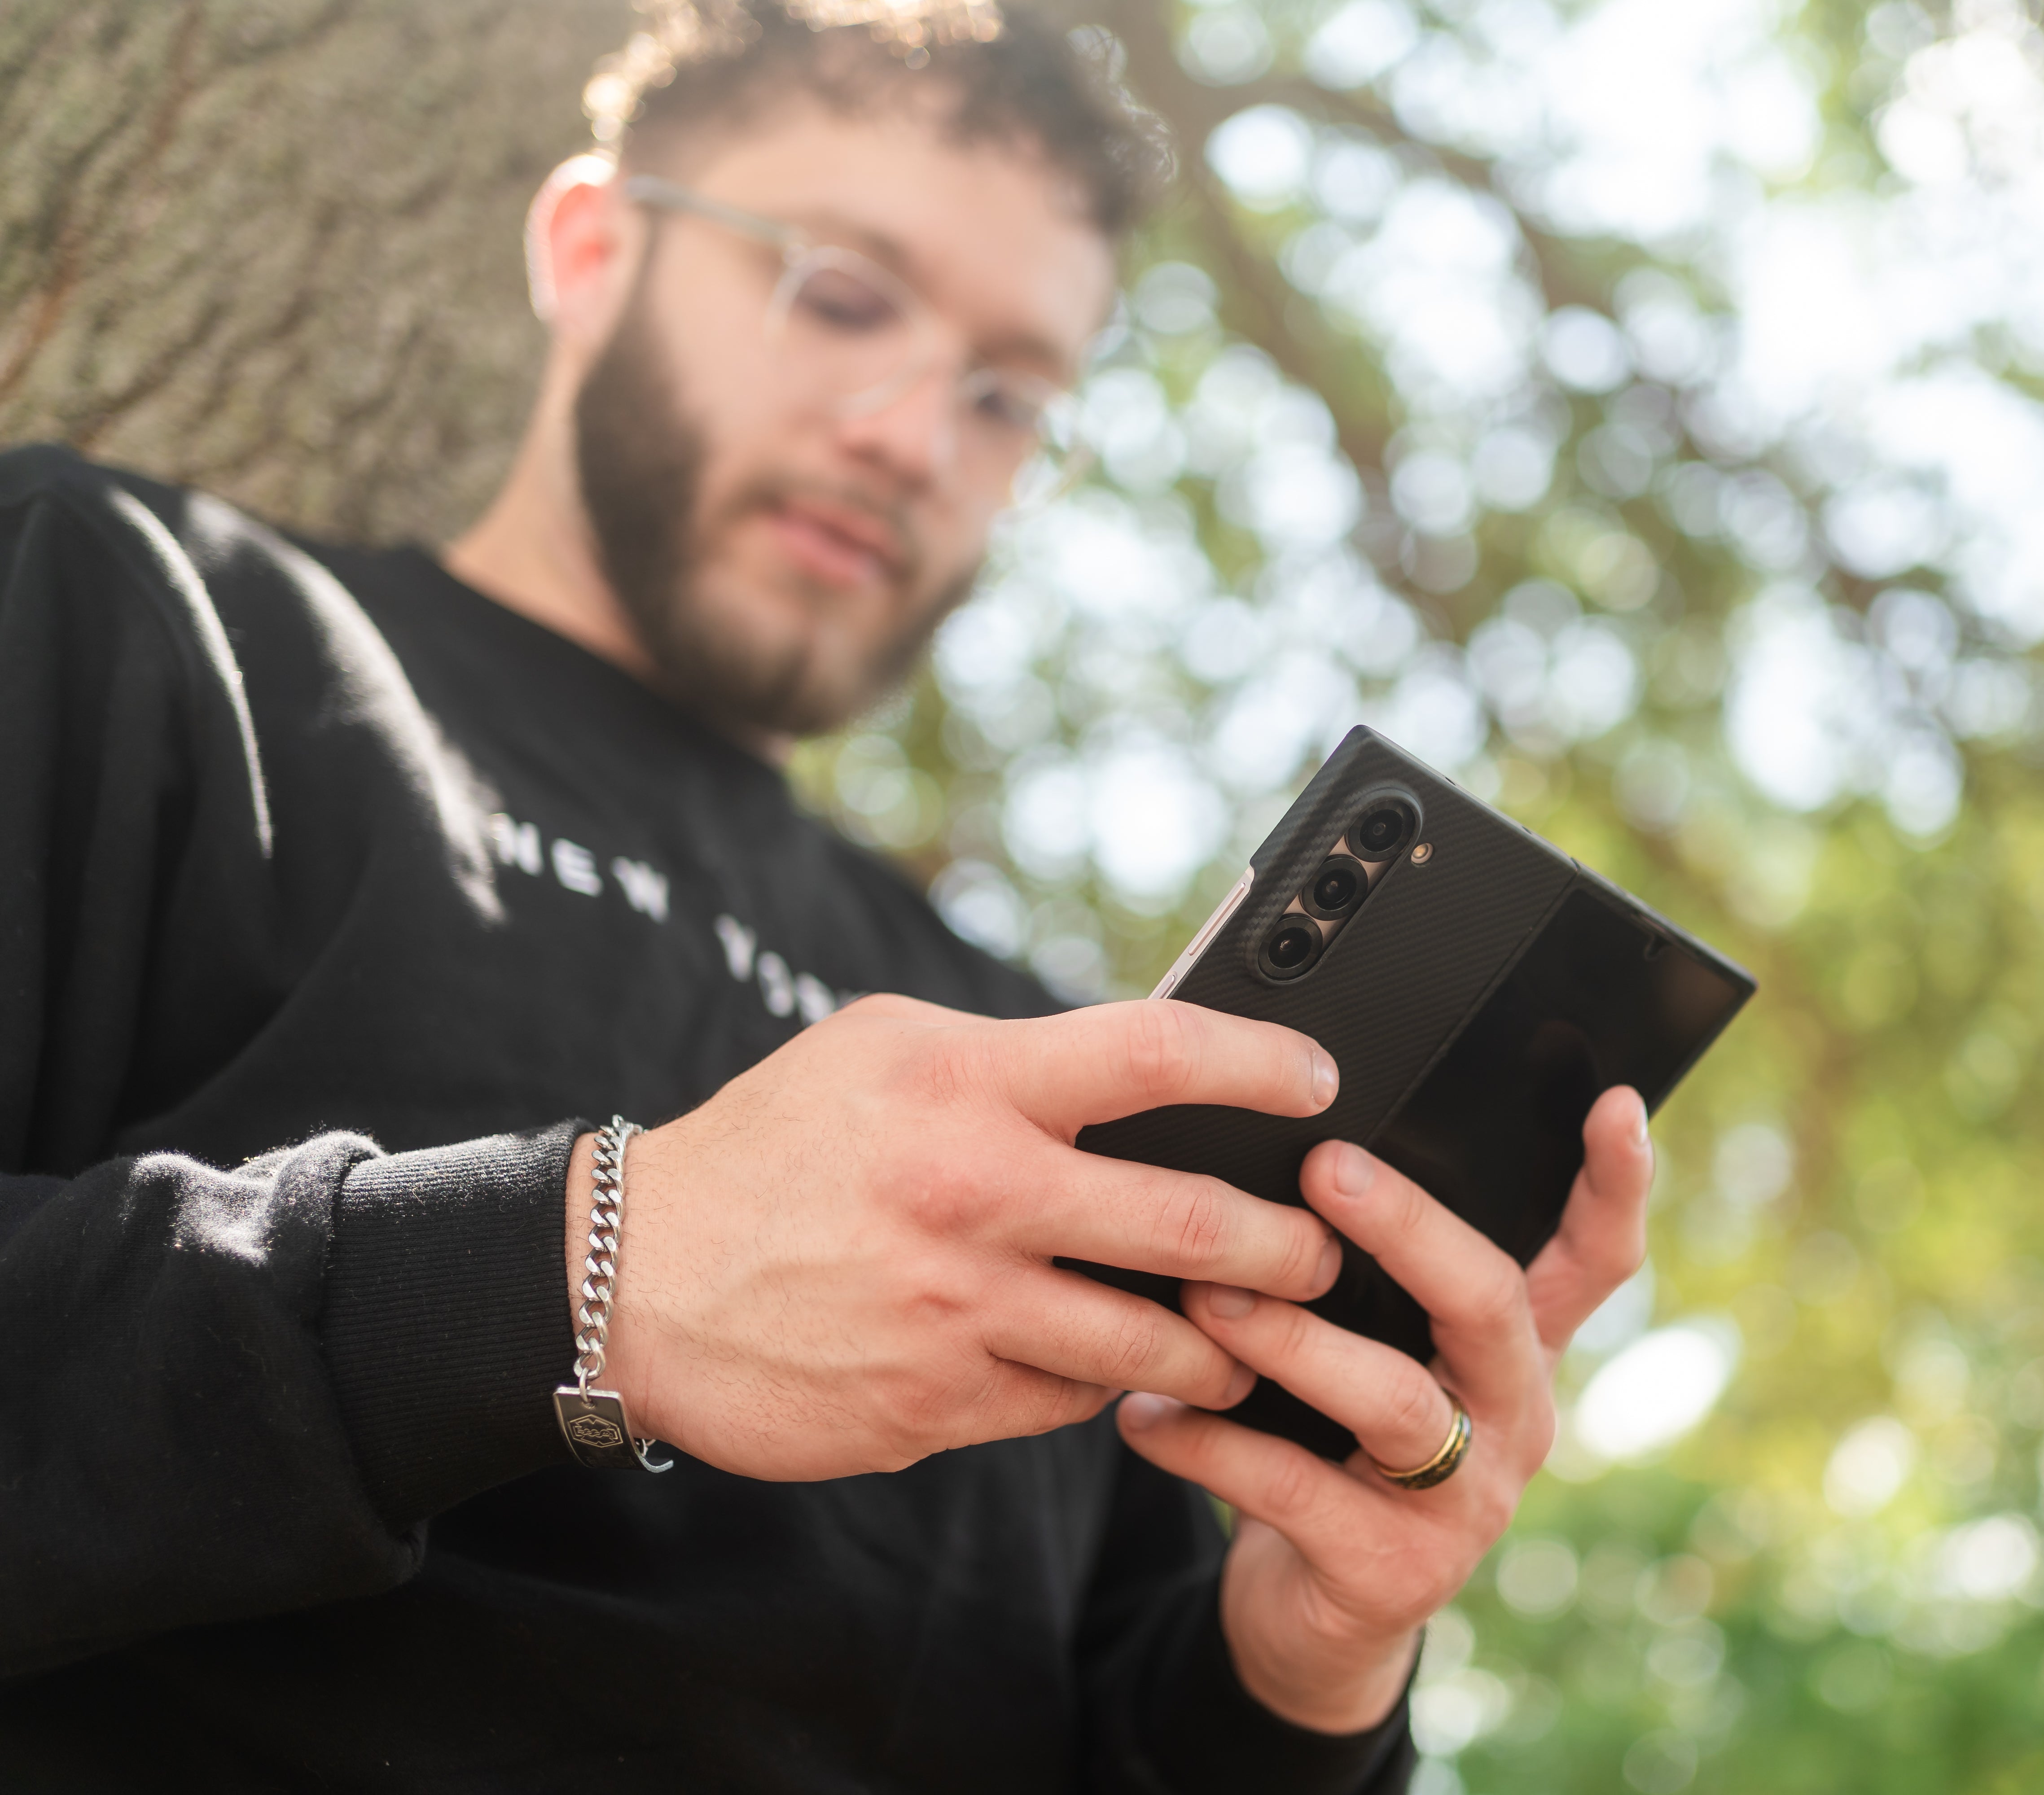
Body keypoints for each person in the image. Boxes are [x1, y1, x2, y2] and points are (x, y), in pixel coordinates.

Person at [0, 1, 1659, 1787]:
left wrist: (1306, 1674)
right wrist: (585, 1274)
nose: (909, 434)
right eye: (845, 293)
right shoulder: (133, 613)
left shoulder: (1053, 1056)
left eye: (1008, 394)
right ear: (592, 247)